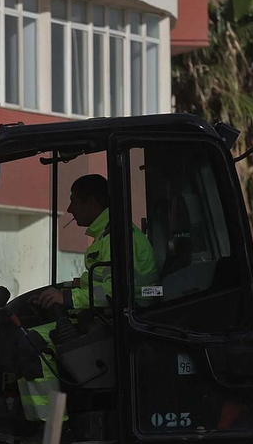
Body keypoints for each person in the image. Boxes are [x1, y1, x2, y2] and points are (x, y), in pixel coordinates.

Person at [16, 174, 158, 421]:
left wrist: (67, 299)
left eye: (74, 201)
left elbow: (115, 292)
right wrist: (63, 293)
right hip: (109, 320)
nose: (69, 209)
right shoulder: (109, 235)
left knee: (32, 345)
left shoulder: (117, 238)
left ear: (91, 203)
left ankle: (50, 429)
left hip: (123, 327)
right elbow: (100, 282)